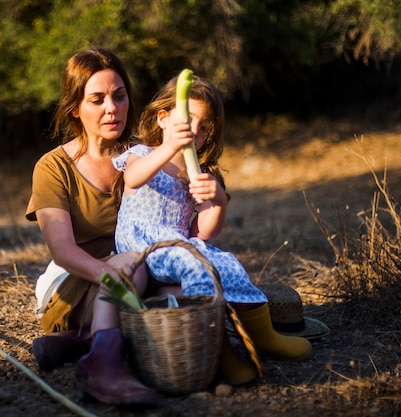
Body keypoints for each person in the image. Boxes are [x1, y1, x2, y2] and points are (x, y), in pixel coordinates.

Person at [112, 74, 312, 385]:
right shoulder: (144, 154)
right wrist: (169, 147)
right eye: (188, 120)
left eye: (204, 127)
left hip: (178, 247)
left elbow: (204, 232)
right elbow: (133, 178)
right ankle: (219, 353)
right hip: (142, 245)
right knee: (195, 264)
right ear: (163, 118)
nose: (195, 130)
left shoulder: (199, 174)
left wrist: (217, 200)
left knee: (226, 263)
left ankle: (264, 336)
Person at [25, 48, 160, 405]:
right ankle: (101, 368)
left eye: (119, 96)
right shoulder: (53, 167)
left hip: (138, 272)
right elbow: (63, 251)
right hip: (76, 282)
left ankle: (82, 341)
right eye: (97, 99)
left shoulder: (142, 157)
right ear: (75, 108)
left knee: (178, 292)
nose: (111, 108)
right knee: (133, 269)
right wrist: (113, 274)